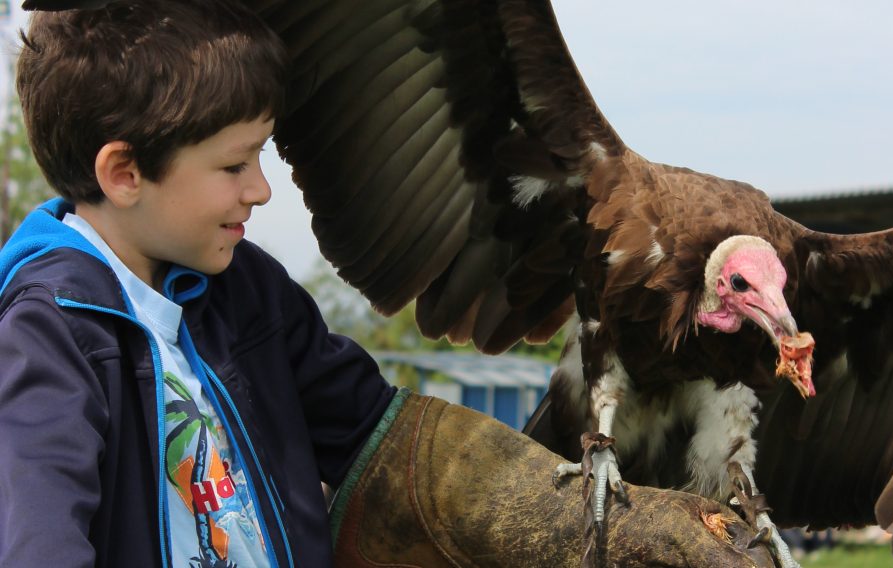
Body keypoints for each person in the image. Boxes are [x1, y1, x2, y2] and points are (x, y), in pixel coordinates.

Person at [0, 2, 772, 567]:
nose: (261, 191)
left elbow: (390, 443)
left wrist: (570, 520)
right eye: (235, 165)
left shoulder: (247, 296)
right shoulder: (52, 333)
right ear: (124, 173)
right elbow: (36, 542)